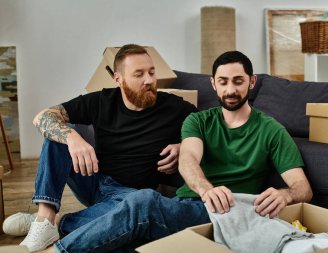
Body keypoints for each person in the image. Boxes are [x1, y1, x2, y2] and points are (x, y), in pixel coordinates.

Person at [37, 50, 312, 253]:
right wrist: (205, 189)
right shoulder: (198, 121)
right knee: (131, 226)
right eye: (223, 82)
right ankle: (47, 219)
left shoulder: (272, 130)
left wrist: (284, 194)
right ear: (213, 84)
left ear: (251, 82)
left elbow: (302, 187)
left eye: (238, 81)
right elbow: (189, 160)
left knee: (140, 208)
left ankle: (60, 244)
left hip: (226, 210)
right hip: (183, 204)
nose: (231, 90)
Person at [6, 44, 197, 252]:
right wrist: (72, 138)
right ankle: (44, 217)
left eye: (152, 72)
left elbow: (207, 130)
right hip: (93, 179)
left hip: (128, 196)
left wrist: (183, 147)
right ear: (118, 79)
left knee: (136, 212)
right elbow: (42, 117)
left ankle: (57, 223)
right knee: (58, 133)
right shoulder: (102, 100)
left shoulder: (175, 107)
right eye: (139, 74)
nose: (149, 80)